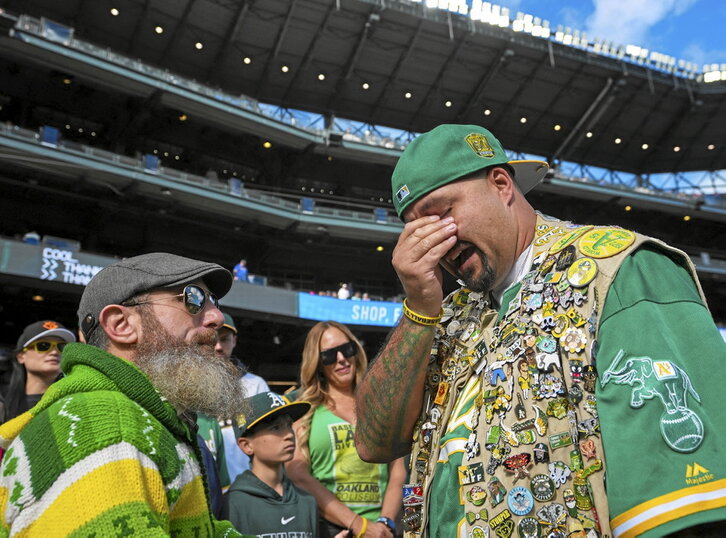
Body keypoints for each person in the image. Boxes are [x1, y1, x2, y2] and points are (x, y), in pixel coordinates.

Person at [354, 124, 726, 537]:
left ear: (500, 184)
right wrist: (419, 309)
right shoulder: (444, 314)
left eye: (442, 214)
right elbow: (374, 443)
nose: (434, 242)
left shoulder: (617, 270)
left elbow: (683, 509)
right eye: (414, 229)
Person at [0, 252, 249, 536]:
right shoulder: (102, 427)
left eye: (213, 301)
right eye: (192, 298)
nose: (216, 316)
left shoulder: (146, 417)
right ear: (122, 325)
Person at [287, 321, 405, 538]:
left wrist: (385, 524)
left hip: (383, 530)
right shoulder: (305, 409)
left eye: (346, 349)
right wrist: (359, 525)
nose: (341, 359)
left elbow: (397, 470)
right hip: (333, 530)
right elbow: (297, 473)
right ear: (318, 363)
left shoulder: (379, 404)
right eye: (329, 355)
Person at [222, 391, 317, 536]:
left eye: (289, 425)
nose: (289, 435)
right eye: (275, 428)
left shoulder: (307, 501)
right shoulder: (232, 505)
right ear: (247, 445)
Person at [198, 312, 271, 485]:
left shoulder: (255, 385)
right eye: (212, 339)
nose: (218, 347)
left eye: (224, 339)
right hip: (207, 489)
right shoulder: (189, 385)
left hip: (248, 487)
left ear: (234, 341)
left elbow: (269, 440)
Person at [0, 320, 76, 422]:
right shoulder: (3, 402)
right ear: (21, 356)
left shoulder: (74, 402)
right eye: (43, 346)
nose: (54, 352)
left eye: (61, 347)